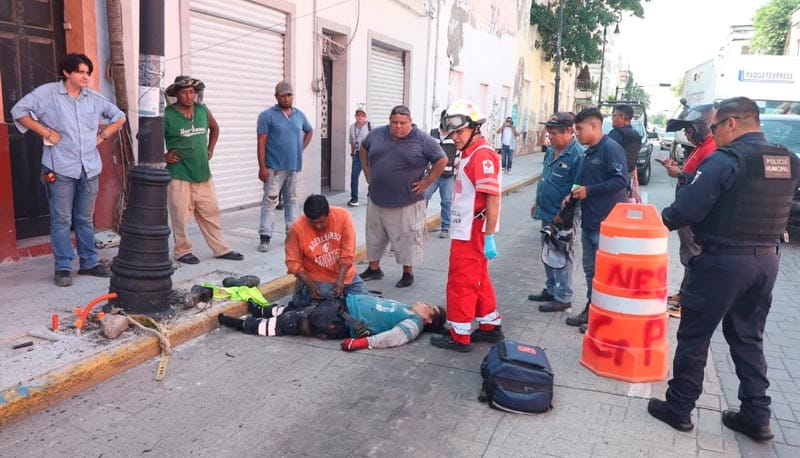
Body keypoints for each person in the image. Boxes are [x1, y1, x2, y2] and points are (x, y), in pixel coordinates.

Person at [648, 97, 799, 441]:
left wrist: (658, 222)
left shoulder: (725, 160)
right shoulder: (788, 160)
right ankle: (757, 416)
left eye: (714, 127)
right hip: (767, 260)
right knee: (748, 337)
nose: (712, 134)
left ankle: (680, 408)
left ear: (732, 123)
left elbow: (686, 210)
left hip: (722, 262)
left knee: (694, 336)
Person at [11, 53, 126, 287]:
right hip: (59, 167)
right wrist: (45, 132)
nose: (85, 77)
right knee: (61, 219)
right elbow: (19, 111)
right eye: (81, 72)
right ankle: (63, 267)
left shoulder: (93, 98)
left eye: (88, 73)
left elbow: (120, 117)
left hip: (90, 167)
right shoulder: (47, 94)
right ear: (67, 72)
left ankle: (89, 263)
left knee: (84, 219)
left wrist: (102, 136)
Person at [429, 99, 504, 353]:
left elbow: (492, 197)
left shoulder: (482, 155)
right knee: (478, 278)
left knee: (462, 280)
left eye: (460, 132)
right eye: (453, 132)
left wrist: (490, 235)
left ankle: (459, 334)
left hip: (474, 229)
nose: (456, 137)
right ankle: (489, 325)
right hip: (468, 227)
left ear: (475, 128)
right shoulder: (470, 153)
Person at [358, 105, 447, 288]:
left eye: (402, 123)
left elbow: (442, 160)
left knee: (407, 237)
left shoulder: (422, 139)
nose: (398, 126)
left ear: (410, 122)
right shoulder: (377, 134)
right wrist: (367, 170)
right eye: (394, 122)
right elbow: (363, 148)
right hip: (377, 197)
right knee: (375, 235)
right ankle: (374, 269)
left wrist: (426, 182)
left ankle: (408, 272)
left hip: (407, 200)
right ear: (389, 122)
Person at [163, 75, 244, 265]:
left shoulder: (202, 110)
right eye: (184, 92)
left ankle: (221, 249)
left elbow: (215, 129)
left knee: (211, 212)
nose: (188, 96)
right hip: (179, 175)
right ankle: (182, 251)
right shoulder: (167, 115)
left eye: (192, 92)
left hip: (203, 174)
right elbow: (148, 136)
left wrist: (210, 149)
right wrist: (164, 156)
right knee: (180, 217)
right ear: (176, 94)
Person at [563, 107, 628, 331]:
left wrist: (589, 191)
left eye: (579, 129)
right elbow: (580, 182)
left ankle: (603, 318)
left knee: (605, 275)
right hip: (589, 222)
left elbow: (621, 181)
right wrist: (571, 195)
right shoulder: (589, 152)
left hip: (606, 223)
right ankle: (592, 310)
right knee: (591, 271)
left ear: (594, 126)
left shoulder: (611, 149)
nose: (576, 134)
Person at [217, 294, 445, 351]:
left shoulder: (415, 323)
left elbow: (394, 338)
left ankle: (243, 325)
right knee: (295, 309)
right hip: (341, 306)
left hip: (341, 320)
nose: (425, 303)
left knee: (293, 322)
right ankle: (263, 310)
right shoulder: (408, 310)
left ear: (428, 319)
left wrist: (362, 344)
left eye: (429, 307)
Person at [657, 104, 716, 318]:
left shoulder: (711, 149)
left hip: (693, 216)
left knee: (693, 257)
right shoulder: (701, 147)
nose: (687, 135)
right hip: (686, 213)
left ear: (701, 127)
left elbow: (701, 185)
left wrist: (679, 175)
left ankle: (688, 301)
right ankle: (684, 294)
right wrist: (679, 169)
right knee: (687, 256)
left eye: (689, 130)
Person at [528, 112, 584, 312]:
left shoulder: (577, 155)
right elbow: (546, 177)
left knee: (562, 254)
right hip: (546, 210)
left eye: (553, 134)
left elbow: (577, 188)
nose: (549, 137)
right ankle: (551, 289)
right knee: (547, 251)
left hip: (564, 215)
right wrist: (537, 202)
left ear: (568, 132)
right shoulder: (552, 151)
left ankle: (563, 296)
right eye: (548, 133)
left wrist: (566, 214)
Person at [256, 81, 313, 253]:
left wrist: (300, 148)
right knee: (270, 201)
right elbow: (261, 142)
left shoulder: (299, 115)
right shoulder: (267, 116)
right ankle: (265, 237)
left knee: (292, 201)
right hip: (274, 168)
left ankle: (292, 235)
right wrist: (262, 167)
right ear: (277, 97)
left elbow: (309, 131)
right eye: (283, 95)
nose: (287, 98)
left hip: (294, 167)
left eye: (289, 95)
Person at [284, 195, 368, 308]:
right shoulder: (297, 229)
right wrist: (309, 284)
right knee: (331, 307)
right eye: (313, 223)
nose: (318, 226)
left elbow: (347, 253)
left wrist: (340, 280)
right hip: (317, 279)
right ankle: (301, 297)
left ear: (329, 214)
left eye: (322, 222)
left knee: (364, 304)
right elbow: (292, 263)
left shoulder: (343, 217)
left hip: (346, 276)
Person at [425, 110, 458, 238]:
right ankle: (419, 224)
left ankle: (445, 227)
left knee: (447, 201)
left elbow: (458, 153)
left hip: (448, 175)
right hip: (432, 174)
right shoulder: (433, 133)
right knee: (423, 198)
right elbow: (425, 149)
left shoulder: (454, 135)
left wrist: (457, 161)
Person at [607, 104, 642, 202]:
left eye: (614, 116)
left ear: (622, 118)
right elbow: (633, 162)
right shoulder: (629, 134)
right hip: (620, 181)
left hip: (614, 183)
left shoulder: (623, 135)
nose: (612, 119)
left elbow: (630, 163)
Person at [347, 108, 371, 207]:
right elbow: (352, 141)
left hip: (369, 154)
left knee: (370, 176)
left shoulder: (370, 126)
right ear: (355, 116)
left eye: (362, 115)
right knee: (354, 176)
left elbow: (375, 139)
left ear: (365, 117)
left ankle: (371, 197)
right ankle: (354, 199)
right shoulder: (352, 127)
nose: (360, 117)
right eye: (358, 115)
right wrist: (352, 153)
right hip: (357, 154)